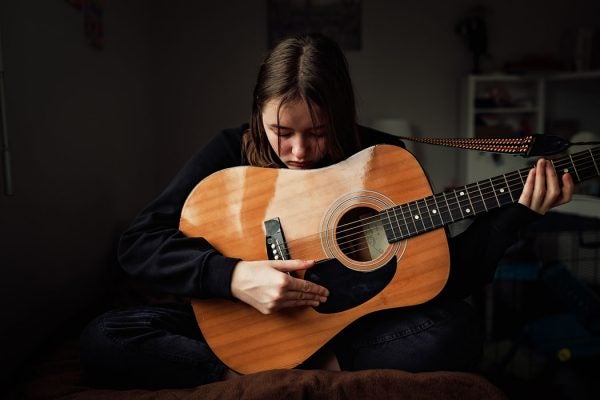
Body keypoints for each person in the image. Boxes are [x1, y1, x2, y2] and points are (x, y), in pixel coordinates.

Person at [79, 33, 574, 389]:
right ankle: (243, 376)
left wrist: (517, 215)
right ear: (259, 113)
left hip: (346, 335)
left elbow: (442, 278)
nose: (298, 150)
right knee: (105, 338)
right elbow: (139, 243)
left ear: (342, 115)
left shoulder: (380, 160)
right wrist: (232, 276)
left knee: (457, 330)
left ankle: (311, 365)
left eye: (316, 133)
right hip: (239, 330)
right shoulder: (229, 151)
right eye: (281, 131)